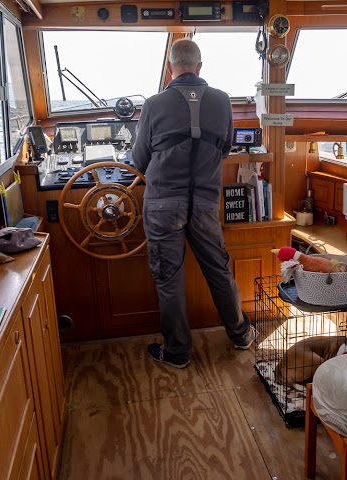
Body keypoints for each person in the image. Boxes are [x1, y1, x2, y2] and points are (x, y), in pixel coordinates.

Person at [132, 39, 255, 369]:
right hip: (204, 205)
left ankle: (177, 352)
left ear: (169, 68)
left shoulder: (154, 104)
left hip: (161, 206)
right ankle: (241, 334)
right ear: (200, 67)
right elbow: (226, 148)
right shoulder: (222, 100)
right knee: (219, 270)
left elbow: (138, 158)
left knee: (169, 279)